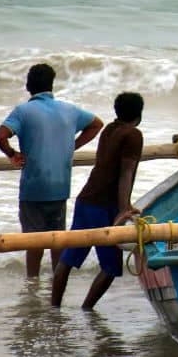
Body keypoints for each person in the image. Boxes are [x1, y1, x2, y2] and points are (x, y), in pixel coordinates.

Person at [0, 63, 103, 278]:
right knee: (57, 240)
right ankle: (57, 283)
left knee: (33, 242)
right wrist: (72, 145)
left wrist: (12, 154)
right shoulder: (70, 110)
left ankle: (32, 284)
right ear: (51, 86)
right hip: (60, 186)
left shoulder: (23, 111)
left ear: (28, 86)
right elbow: (97, 124)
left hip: (34, 187)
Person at [51, 92, 145, 309]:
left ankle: (54, 308)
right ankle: (87, 309)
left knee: (68, 258)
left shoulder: (109, 130)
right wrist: (123, 209)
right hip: (104, 207)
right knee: (111, 266)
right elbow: (126, 172)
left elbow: (110, 168)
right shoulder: (133, 135)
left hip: (86, 201)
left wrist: (125, 204)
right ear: (139, 114)